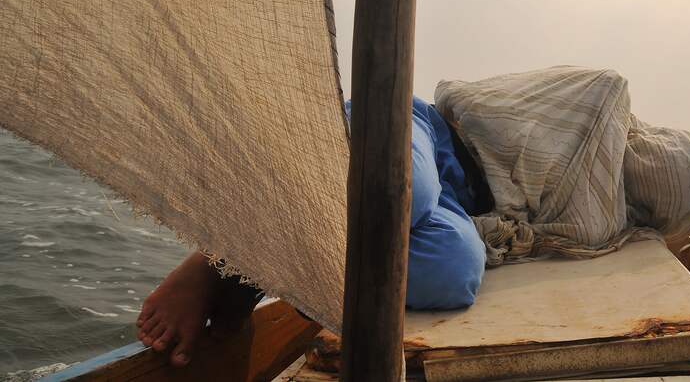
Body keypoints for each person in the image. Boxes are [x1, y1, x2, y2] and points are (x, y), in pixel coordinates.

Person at [136, 96, 489, 367]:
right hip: (421, 124)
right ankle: (221, 260)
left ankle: (255, 270)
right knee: (403, 192)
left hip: (459, 195)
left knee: (454, 270)